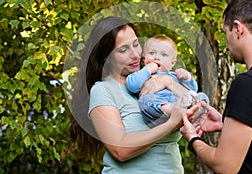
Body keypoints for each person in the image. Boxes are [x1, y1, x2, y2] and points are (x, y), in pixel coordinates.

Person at [180, 0, 252, 173]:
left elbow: (225, 166)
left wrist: (193, 139)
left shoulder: (249, 84)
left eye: (226, 33)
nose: (226, 45)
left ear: (238, 28)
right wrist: (227, 124)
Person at [68, 16, 190, 173]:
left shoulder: (156, 78)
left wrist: (167, 82)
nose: (135, 54)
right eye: (123, 50)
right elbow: (120, 150)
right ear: (106, 57)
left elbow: (194, 101)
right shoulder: (103, 90)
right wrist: (172, 122)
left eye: (136, 44)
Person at [126, 35, 209, 127]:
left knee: (201, 96)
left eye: (164, 54)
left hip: (180, 103)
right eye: (152, 53)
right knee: (145, 100)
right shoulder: (142, 74)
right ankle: (170, 109)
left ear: (172, 63)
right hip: (158, 113)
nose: (156, 57)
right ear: (144, 58)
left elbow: (192, 90)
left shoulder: (175, 76)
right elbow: (132, 86)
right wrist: (147, 70)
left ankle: (196, 110)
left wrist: (187, 77)